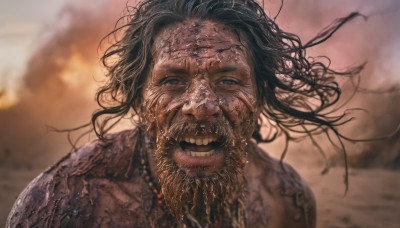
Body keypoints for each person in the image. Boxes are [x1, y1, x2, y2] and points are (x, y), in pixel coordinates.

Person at [7, 0, 363, 227]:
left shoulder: (287, 202)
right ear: (138, 98)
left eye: (227, 79)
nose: (200, 106)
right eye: (173, 80)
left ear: (260, 96)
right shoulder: (66, 205)